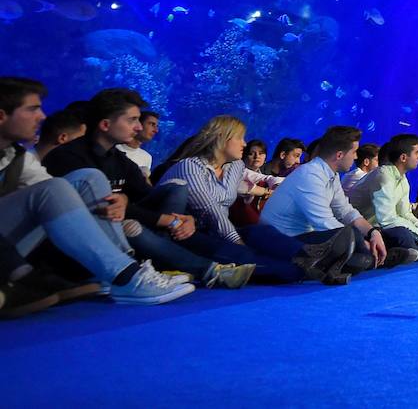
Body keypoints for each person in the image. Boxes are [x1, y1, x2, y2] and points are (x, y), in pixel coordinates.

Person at [0, 77, 194, 307]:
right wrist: (22, 274)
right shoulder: (68, 154)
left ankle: (125, 269)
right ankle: (125, 274)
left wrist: (121, 200)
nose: (42, 116)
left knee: (88, 179)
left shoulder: (16, 156)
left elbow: (57, 194)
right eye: (32, 109)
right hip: (10, 258)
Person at [44, 89, 255, 289]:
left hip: (132, 230)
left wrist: (184, 218)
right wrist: (167, 220)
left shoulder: (120, 161)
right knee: (131, 226)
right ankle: (208, 271)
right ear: (105, 124)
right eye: (132, 120)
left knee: (177, 188)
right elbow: (82, 212)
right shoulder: (68, 157)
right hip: (87, 242)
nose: (138, 127)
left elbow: (147, 197)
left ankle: (159, 263)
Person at [157, 115, 353, 283]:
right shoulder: (190, 166)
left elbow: (261, 178)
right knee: (273, 264)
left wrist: (286, 182)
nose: (244, 143)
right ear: (220, 138)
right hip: (192, 234)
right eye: (240, 138)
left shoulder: (234, 167)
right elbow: (212, 212)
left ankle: (314, 257)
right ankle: (311, 267)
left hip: (223, 230)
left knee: (262, 232)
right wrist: (238, 241)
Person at [254, 125, 388, 275]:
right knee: (353, 239)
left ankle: (361, 260)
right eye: (354, 152)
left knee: (369, 242)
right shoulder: (310, 175)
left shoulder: (332, 175)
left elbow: (346, 211)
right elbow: (325, 223)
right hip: (283, 241)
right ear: (339, 155)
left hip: (305, 238)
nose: (356, 157)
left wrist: (373, 233)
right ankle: (368, 260)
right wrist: (361, 242)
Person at [347, 134, 418, 261]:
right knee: (402, 233)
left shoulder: (402, 179)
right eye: (417, 152)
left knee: (405, 232)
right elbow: (387, 220)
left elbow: (405, 214)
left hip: (377, 227)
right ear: (403, 158)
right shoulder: (383, 176)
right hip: (360, 230)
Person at [116, 108, 159, 179]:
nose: (156, 130)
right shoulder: (115, 149)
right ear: (138, 124)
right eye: (152, 124)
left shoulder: (147, 157)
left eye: (157, 126)